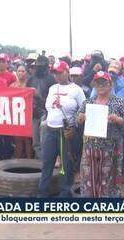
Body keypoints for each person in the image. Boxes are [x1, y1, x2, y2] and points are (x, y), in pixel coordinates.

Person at [77, 71, 124, 197]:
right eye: (97, 83)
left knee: (109, 180)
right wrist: (80, 118)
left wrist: (118, 119)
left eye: (104, 83)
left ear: (110, 84)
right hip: (90, 148)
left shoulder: (119, 102)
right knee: (88, 179)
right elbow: (78, 119)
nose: (101, 86)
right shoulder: (88, 102)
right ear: (94, 85)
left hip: (111, 148)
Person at [38, 61, 86, 197]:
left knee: (65, 166)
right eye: (55, 73)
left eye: (60, 72)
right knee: (47, 163)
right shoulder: (53, 88)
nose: (57, 76)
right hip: (50, 130)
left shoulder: (77, 90)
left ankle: (64, 195)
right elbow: (47, 108)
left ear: (67, 71)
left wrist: (75, 128)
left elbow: (83, 111)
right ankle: (42, 194)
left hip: (65, 132)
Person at [27, 55, 56, 159]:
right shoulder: (31, 79)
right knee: (35, 142)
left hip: (47, 113)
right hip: (34, 114)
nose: (39, 68)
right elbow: (25, 95)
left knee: (45, 142)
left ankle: (45, 162)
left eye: (41, 66)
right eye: (38, 66)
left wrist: (39, 97)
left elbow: (53, 99)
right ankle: (40, 162)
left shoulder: (51, 79)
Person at [10, 65, 32, 159]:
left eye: (23, 71)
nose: (21, 73)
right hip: (16, 116)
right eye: (19, 71)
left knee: (28, 140)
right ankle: (18, 161)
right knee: (17, 140)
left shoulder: (30, 84)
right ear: (16, 72)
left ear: (26, 72)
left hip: (28, 115)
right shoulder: (12, 85)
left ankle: (30, 160)